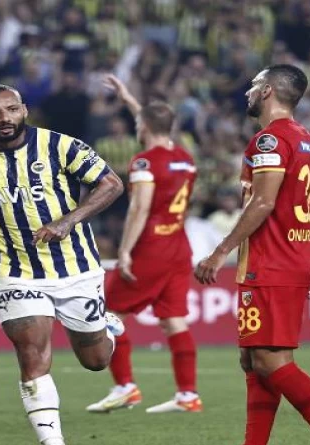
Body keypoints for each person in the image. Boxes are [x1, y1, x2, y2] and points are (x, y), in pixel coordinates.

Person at [0, 84, 125, 445]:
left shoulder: (59, 145)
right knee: (31, 354)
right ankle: (53, 444)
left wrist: (69, 220)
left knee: (96, 360)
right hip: (15, 271)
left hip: (75, 268)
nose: (4, 118)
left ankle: (105, 326)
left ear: (24, 110)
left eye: (11, 109)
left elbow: (111, 184)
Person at [194, 64, 310, 445]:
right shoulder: (305, 139)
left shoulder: (269, 140)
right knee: (253, 360)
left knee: (271, 361)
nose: (248, 92)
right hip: (285, 258)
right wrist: (302, 257)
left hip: (271, 263)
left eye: (254, 86)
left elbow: (263, 202)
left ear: (268, 91)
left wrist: (220, 252)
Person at [85, 75, 201, 414]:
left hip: (151, 247)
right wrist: (128, 98)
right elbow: (154, 121)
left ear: (143, 127)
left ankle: (125, 387)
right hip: (179, 247)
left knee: (107, 312)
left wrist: (124, 250)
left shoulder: (144, 163)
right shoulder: (185, 157)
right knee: (174, 320)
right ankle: (188, 395)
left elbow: (139, 209)